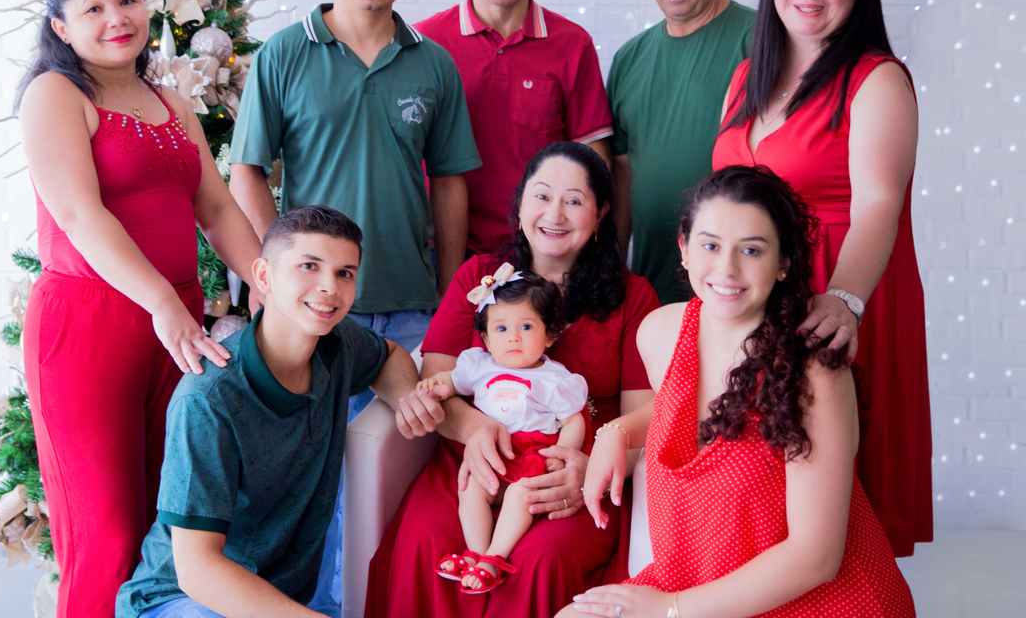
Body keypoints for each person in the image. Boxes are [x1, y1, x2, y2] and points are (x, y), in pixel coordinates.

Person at [229, 0, 482, 613]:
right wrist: (270, 274)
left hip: (407, 304)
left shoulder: (431, 64)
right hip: (317, 313)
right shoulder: (285, 53)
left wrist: (449, 296)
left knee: (401, 466)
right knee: (319, 477)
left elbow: (451, 181)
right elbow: (245, 171)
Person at [15, 0, 263, 618]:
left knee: (170, 526)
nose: (116, 17)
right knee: (107, 532)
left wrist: (269, 283)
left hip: (174, 331)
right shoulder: (55, 95)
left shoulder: (172, 102)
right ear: (61, 27)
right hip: (90, 329)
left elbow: (215, 209)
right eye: (92, 7)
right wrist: (160, 301)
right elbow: (78, 213)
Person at [561, 165, 914, 618]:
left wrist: (669, 609)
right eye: (710, 245)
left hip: (802, 597)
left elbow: (817, 557)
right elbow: (679, 406)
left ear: (784, 262)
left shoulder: (814, 373)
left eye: (751, 249)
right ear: (684, 250)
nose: (726, 268)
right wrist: (617, 431)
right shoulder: (660, 333)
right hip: (699, 578)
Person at [711, 0, 931, 556]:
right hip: (756, 294)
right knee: (759, 489)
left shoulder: (876, 78)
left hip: (840, 291)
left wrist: (845, 300)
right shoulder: (745, 78)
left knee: (834, 497)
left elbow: (880, 206)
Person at [366, 142, 661, 618]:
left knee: (541, 559)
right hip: (474, 458)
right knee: (429, 539)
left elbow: (644, 414)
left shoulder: (632, 296)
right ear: (521, 202)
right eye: (542, 196)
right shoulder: (479, 277)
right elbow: (437, 378)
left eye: (575, 200)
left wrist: (599, 468)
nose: (555, 214)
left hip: (573, 468)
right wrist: (473, 429)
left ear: (602, 212)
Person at [116, 206, 445, 618]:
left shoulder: (337, 343)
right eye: (309, 266)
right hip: (181, 601)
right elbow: (197, 569)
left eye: (345, 272)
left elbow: (390, 355)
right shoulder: (208, 399)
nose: (329, 287)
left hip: (275, 599)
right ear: (264, 276)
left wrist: (407, 398)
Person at [416, 0, 614, 255]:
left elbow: (593, 161)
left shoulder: (572, 44)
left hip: (540, 254)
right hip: (437, 250)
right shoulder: (424, 44)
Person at [607, 0, 755, 304]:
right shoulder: (629, 59)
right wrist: (614, 279)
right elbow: (624, 178)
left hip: (737, 291)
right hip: (650, 291)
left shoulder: (761, 42)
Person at [418, 269, 588, 594]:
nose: (513, 337)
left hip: (533, 452)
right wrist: (435, 386)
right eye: (501, 328)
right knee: (470, 490)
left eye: (526, 327)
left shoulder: (554, 379)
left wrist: (564, 455)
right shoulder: (479, 365)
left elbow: (573, 420)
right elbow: (452, 382)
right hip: (491, 453)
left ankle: (495, 558)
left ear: (549, 335)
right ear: (485, 339)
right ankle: (475, 553)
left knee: (518, 495)